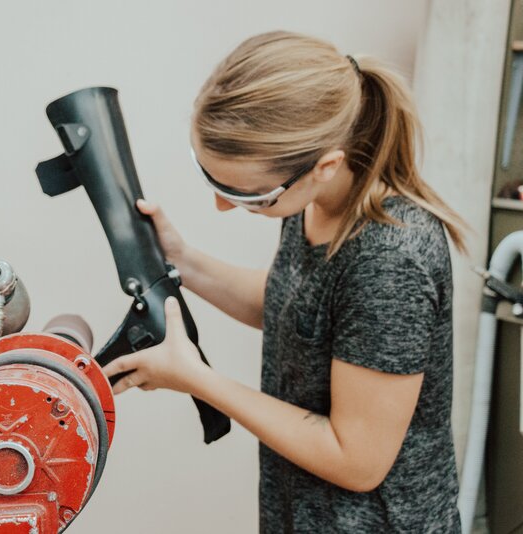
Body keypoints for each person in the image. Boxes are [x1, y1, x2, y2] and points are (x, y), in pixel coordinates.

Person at [103, 31, 465, 532]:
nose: (222, 205)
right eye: (214, 182)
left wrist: (197, 379)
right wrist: (181, 259)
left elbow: (357, 460)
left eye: (249, 195)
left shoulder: (390, 261)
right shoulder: (311, 202)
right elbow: (296, 310)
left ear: (325, 166)